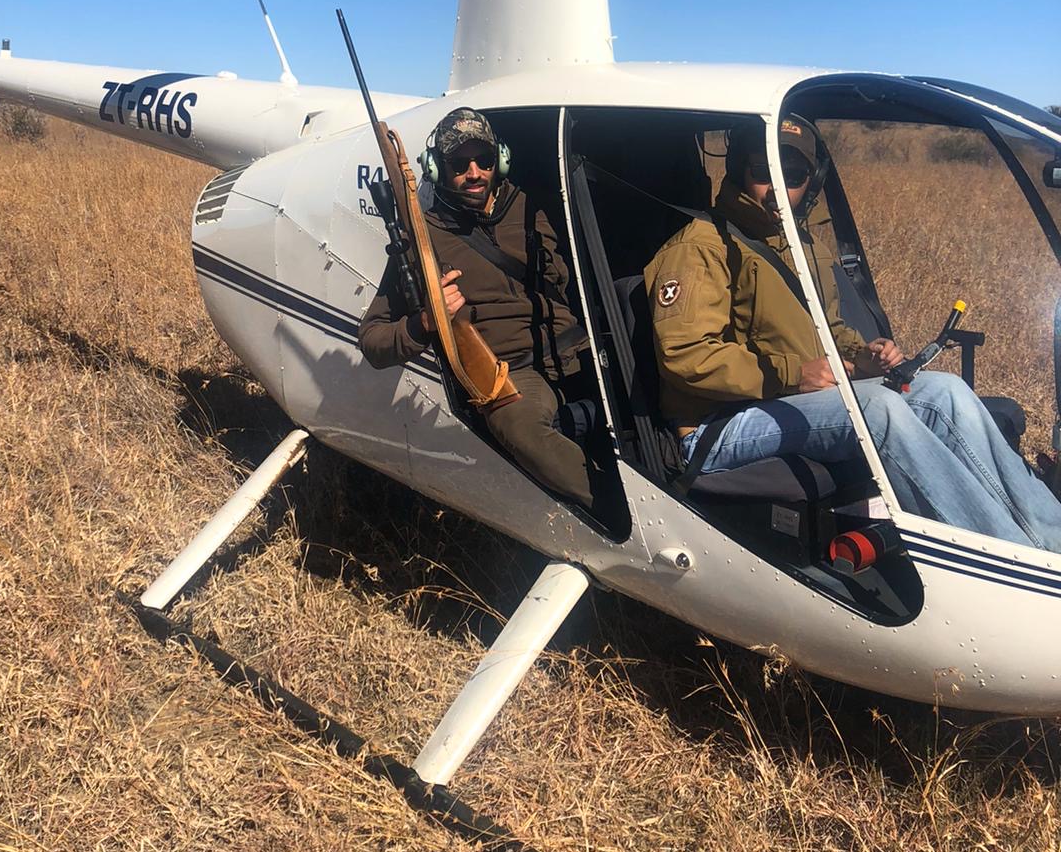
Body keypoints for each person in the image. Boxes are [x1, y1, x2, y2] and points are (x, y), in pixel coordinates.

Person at [644, 114, 1061, 553]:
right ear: (738, 171)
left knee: (947, 392)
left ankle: (1051, 543)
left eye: (793, 175)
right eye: (763, 171)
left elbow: (828, 329)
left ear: (811, 182)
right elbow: (685, 356)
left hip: (791, 401)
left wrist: (863, 355)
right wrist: (795, 374)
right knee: (878, 410)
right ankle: (1005, 555)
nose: (778, 188)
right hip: (718, 426)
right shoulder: (702, 247)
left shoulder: (801, 245)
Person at [358, 107, 595, 509]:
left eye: (484, 160)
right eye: (459, 164)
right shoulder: (423, 238)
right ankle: (611, 507)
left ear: (499, 161)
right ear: (436, 168)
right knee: (519, 426)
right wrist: (424, 322)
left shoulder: (534, 208)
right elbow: (372, 340)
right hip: (513, 371)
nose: (474, 173)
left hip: (575, 347)